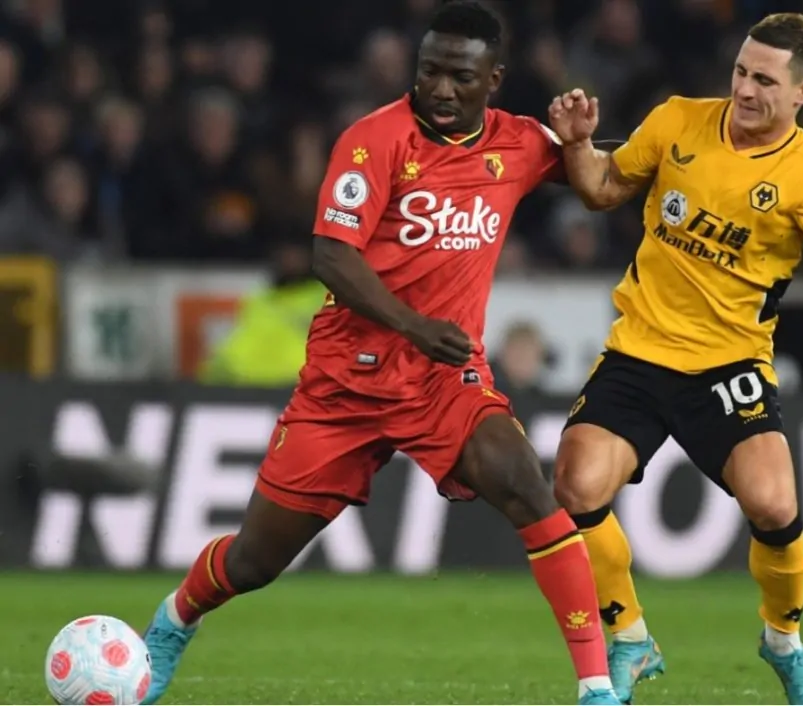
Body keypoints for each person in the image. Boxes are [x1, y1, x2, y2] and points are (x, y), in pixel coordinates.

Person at [140, 3, 618, 704]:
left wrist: (586, 142)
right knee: (255, 561)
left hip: (445, 381)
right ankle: (176, 618)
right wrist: (414, 326)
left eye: (460, 76)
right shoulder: (373, 141)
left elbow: (609, 173)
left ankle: (597, 687)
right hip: (346, 386)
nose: (441, 89)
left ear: (493, 79)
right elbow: (331, 256)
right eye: (430, 71)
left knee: (527, 485)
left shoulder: (516, 143)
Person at [547, 13, 803, 706]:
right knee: (576, 488)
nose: (746, 89)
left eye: (766, 80)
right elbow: (602, 189)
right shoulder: (677, 121)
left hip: (729, 365)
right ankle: (630, 640)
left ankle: (783, 642)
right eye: (741, 71)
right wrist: (579, 145)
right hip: (640, 351)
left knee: (774, 504)